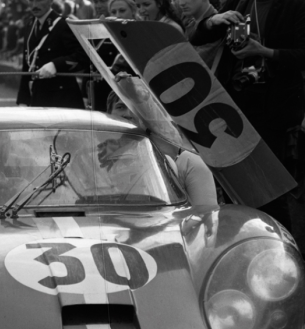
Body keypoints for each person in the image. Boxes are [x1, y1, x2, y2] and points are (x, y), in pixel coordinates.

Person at [190, 0, 305, 230]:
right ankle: (246, 244)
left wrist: (264, 52)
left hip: (273, 111)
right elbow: (195, 37)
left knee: (269, 190)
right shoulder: (239, 2)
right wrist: (213, 21)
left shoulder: (295, 6)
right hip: (233, 107)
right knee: (237, 187)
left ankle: (281, 251)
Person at [106, 91, 218, 206]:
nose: (127, 114)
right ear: (109, 113)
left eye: (133, 108)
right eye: (120, 107)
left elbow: (205, 217)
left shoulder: (187, 163)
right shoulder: (93, 154)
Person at [16, 0, 88, 108]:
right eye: (31, 1)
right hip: (38, 97)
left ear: (50, 1)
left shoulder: (63, 24)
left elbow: (83, 56)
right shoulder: (30, 25)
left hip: (63, 99)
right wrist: (23, 99)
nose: (35, 5)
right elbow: (27, 65)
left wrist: (56, 65)